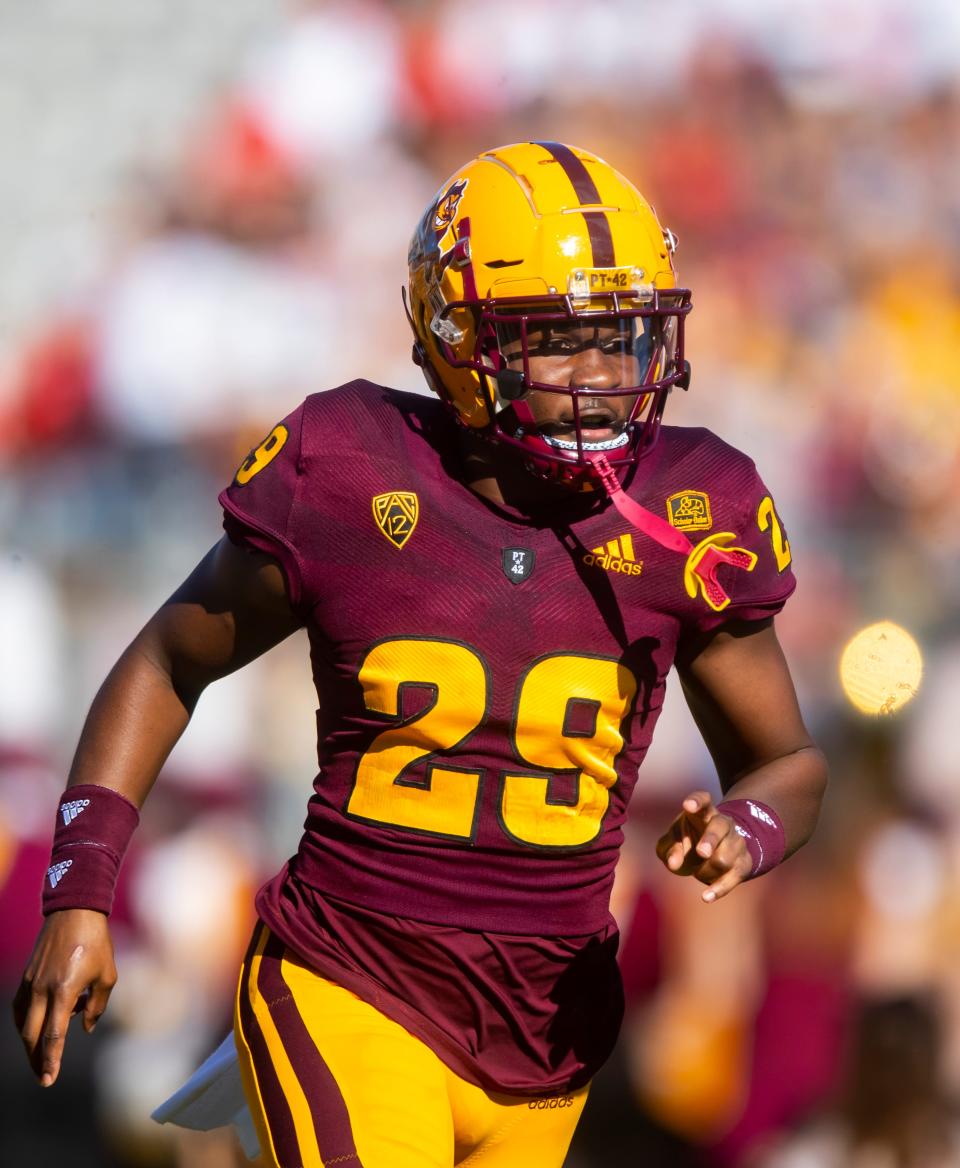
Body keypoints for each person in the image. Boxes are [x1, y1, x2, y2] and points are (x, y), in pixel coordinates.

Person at [14, 141, 827, 1168]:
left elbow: (790, 763)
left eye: (622, 339)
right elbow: (167, 662)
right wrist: (82, 887)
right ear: (458, 339)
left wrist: (747, 827)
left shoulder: (695, 506)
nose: (605, 378)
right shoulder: (351, 469)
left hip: (549, 1035)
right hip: (350, 975)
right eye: (560, 343)